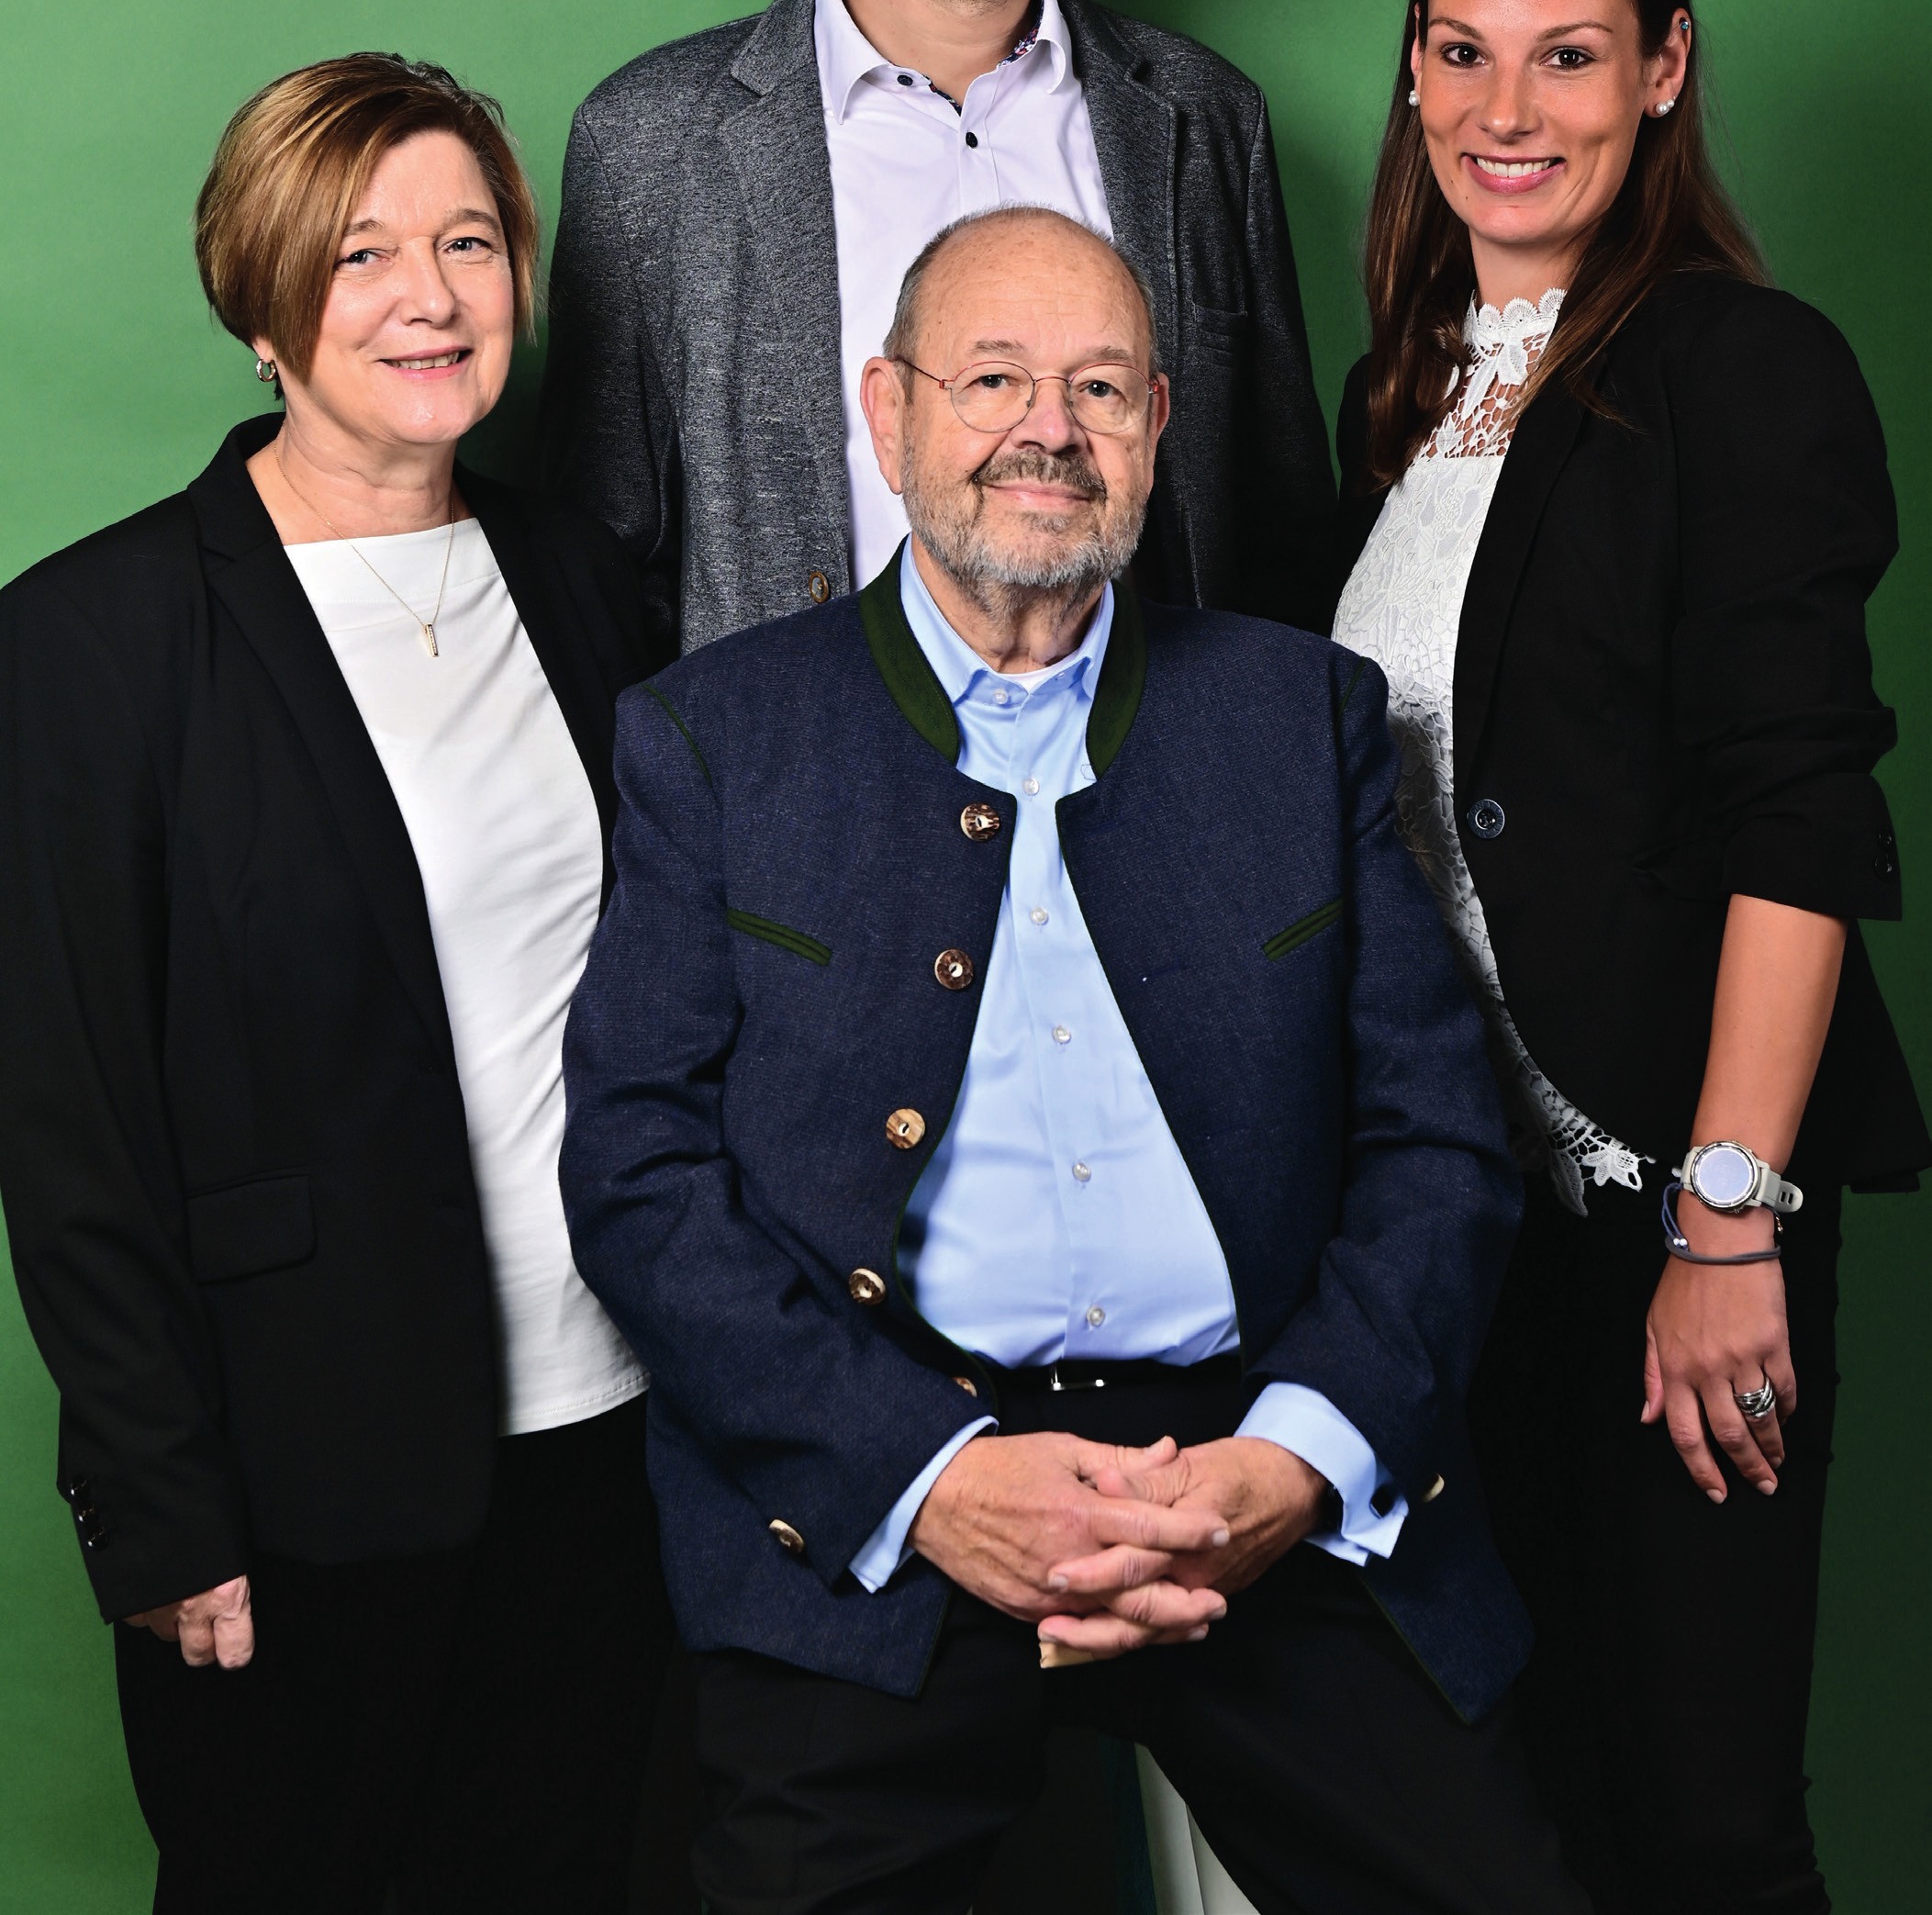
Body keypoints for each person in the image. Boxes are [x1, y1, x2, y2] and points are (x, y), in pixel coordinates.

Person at [559, 202, 1589, 1915]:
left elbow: (1440, 1146)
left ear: (1157, 432)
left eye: (1103, 388)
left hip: (1256, 1453)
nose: (1052, 426)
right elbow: (640, 1175)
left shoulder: (1296, 714)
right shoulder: (714, 738)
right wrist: (931, 1481)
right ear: (888, 415)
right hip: (885, 1466)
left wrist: (1296, 1462)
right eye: (996, 380)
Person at [0, 56, 673, 1914]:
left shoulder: (577, 574)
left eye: (468, 239)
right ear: (259, 302)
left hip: (611, 1434)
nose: (428, 295)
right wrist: (156, 1499)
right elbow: (69, 1125)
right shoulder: (97, 639)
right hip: (299, 1478)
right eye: (360, 250)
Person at [1332, 0, 1927, 1915]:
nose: (1509, 109)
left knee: (1699, 1818)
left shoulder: (1732, 368)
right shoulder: (1404, 391)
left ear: (1661, 69)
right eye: (1461, 51)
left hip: (1674, 1219)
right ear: (1407, 77)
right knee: (1534, 1807)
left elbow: (1796, 825)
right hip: (1465, 1231)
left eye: (1567, 54)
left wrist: (1724, 1221)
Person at [539, 0, 1334, 664]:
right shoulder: (649, 141)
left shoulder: (1207, 123)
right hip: (791, 810)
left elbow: (1277, 550)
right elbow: (593, 580)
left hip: (1139, 803)